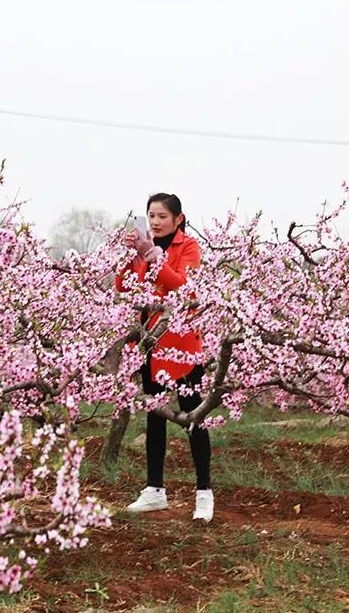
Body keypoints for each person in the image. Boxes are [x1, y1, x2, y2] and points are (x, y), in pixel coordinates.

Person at [116, 193, 213, 522]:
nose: (155, 222)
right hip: (150, 344)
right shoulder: (144, 249)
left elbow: (184, 288)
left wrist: (154, 257)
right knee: (154, 416)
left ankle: (204, 492)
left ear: (178, 218)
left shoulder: (188, 248)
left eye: (161, 216)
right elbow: (123, 287)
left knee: (192, 416)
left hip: (181, 345)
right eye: (151, 216)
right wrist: (130, 257)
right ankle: (155, 490)